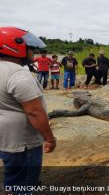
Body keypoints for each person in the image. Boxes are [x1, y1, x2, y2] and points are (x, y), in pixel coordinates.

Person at [0, 27, 56, 194]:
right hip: (23, 142)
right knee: (23, 181)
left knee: (14, 172)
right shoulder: (18, 75)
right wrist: (49, 138)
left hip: (6, 139)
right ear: (15, 47)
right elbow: (34, 112)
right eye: (30, 48)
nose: (33, 52)